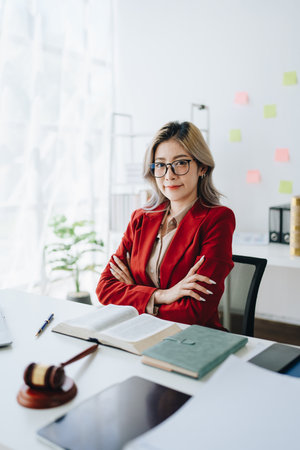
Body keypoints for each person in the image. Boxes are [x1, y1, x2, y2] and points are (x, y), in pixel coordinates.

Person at [96, 121, 235, 329]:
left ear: (202, 167)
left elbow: (194, 312)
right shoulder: (140, 219)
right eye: (160, 165)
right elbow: (105, 289)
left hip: (190, 339)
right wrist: (164, 295)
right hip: (136, 333)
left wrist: (135, 292)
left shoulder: (218, 220)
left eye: (180, 163)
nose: (169, 175)